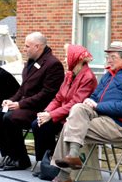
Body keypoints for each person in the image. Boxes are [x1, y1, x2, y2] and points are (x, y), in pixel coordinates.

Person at [41, 41, 122, 182]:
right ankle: (71, 160)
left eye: (113, 57)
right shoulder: (107, 76)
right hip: (100, 118)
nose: (109, 60)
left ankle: (63, 177)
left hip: (119, 125)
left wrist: (97, 106)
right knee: (78, 107)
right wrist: (90, 100)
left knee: (69, 125)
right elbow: (95, 96)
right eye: (108, 57)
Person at [0, 32, 65, 170]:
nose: (23, 49)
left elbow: (47, 94)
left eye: (26, 46)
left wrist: (19, 104)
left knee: (10, 117)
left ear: (37, 47)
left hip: (40, 109)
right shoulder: (30, 62)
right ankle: (10, 156)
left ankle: (22, 159)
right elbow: (23, 88)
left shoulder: (53, 64)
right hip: (26, 106)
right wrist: (10, 100)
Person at [31, 44, 97, 172]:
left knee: (46, 125)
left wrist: (51, 115)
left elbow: (75, 103)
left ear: (75, 58)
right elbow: (58, 98)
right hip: (62, 115)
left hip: (75, 118)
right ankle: (44, 162)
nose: (65, 60)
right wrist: (46, 112)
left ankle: (52, 162)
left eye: (67, 57)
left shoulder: (87, 77)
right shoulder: (70, 74)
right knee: (38, 123)